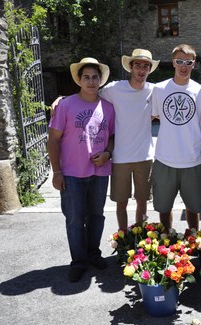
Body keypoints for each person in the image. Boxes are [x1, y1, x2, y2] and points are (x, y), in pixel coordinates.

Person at [51, 49, 159, 231]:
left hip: (145, 155)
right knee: (121, 202)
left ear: (149, 69)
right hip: (119, 156)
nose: (141, 69)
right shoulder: (114, 89)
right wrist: (61, 100)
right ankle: (124, 238)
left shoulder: (155, 90)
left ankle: (140, 238)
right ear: (130, 67)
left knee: (142, 201)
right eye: (138, 65)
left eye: (146, 66)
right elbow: (88, 93)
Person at [48, 57, 115, 282]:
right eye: (86, 77)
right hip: (72, 173)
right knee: (75, 219)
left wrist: (107, 153)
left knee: (96, 216)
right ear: (79, 79)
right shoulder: (66, 105)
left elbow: (112, 137)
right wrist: (56, 172)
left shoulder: (108, 108)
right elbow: (53, 140)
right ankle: (78, 261)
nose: (91, 81)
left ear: (100, 80)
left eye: (95, 77)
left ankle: (93, 254)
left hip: (99, 172)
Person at [151, 44, 201, 231]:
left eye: (188, 62)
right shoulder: (159, 89)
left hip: (192, 159)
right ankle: (165, 240)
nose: (183, 66)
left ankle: (193, 239)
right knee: (163, 207)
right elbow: (155, 115)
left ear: (194, 64)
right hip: (164, 159)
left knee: (193, 207)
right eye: (179, 61)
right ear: (173, 63)